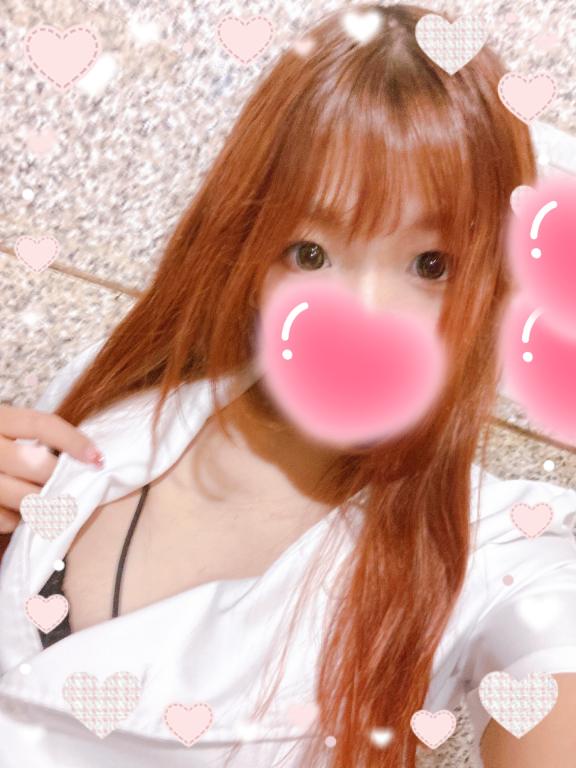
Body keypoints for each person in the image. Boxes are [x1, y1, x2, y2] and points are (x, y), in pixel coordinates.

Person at [1, 3, 575, 767]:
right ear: (249, 250)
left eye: (430, 265)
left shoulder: (493, 552)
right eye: (310, 252)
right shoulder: (104, 398)